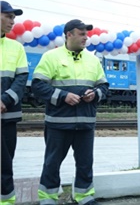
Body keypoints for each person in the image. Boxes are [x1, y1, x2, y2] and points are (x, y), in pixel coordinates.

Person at [31, 19, 109, 205]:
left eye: (86, 34)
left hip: (85, 123)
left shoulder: (93, 59)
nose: (86, 38)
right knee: (52, 163)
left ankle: (84, 195)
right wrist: (62, 96)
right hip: (58, 123)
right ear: (69, 35)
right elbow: (37, 85)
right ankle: (48, 198)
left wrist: (95, 94)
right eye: (81, 34)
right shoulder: (51, 57)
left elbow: (105, 87)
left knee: (85, 163)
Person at [1, 1, 28, 205]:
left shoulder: (16, 47)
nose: (13, 21)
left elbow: (21, 79)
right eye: (8, 16)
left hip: (7, 116)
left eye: (14, 17)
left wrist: (4, 99)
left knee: (5, 163)